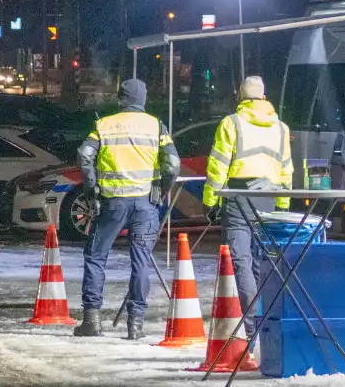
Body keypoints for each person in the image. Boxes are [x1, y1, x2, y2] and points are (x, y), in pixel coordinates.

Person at [73, 79, 180, 340]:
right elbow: (174, 164)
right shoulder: (157, 126)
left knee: (96, 256)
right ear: (142, 99)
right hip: (145, 204)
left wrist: (91, 188)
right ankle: (135, 325)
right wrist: (162, 189)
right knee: (141, 261)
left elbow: (85, 155)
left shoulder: (104, 124)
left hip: (112, 203)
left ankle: (92, 320)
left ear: (120, 98)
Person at [203, 76, 294, 324]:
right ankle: (265, 317)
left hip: (238, 196)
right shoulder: (281, 127)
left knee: (240, 259)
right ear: (264, 98)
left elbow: (218, 166)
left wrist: (210, 201)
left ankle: (251, 320)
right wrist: (283, 205)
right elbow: (286, 169)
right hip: (270, 199)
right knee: (262, 259)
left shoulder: (231, 123)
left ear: (240, 98)